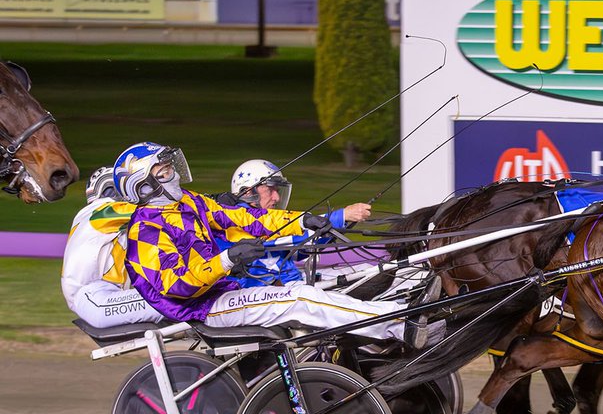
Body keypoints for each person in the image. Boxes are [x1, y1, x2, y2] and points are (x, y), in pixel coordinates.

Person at [114, 141, 428, 344]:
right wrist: (227, 260)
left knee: (304, 295)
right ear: (143, 185)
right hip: (201, 308)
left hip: (223, 293)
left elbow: (250, 220)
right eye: (165, 171)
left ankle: (396, 314)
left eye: (171, 168)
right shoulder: (145, 232)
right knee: (301, 299)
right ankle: (397, 325)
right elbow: (177, 285)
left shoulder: (190, 203)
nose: (175, 175)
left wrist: (304, 220)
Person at [216, 158, 371, 287]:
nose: (277, 198)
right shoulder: (243, 222)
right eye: (270, 190)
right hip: (270, 291)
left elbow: (298, 251)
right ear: (248, 192)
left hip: (289, 283)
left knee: (368, 270)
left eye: (278, 190)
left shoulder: (269, 221)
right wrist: (341, 217)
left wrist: (340, 226)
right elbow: (295, 239)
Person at [61, 166, 163, 328]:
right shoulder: (99, 212)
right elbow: (158, 211)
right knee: (177, 300)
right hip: (94, 297)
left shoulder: (110, 224)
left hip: (102, 297)